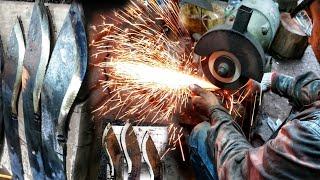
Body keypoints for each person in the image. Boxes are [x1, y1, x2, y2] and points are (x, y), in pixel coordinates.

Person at [188, 0, 320, 179]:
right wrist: (272, 79)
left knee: (201, 134)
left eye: (313, 21)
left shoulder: (309, 139)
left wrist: (216, 111)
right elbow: (315, 91)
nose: (310, 39)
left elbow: (239, 171)